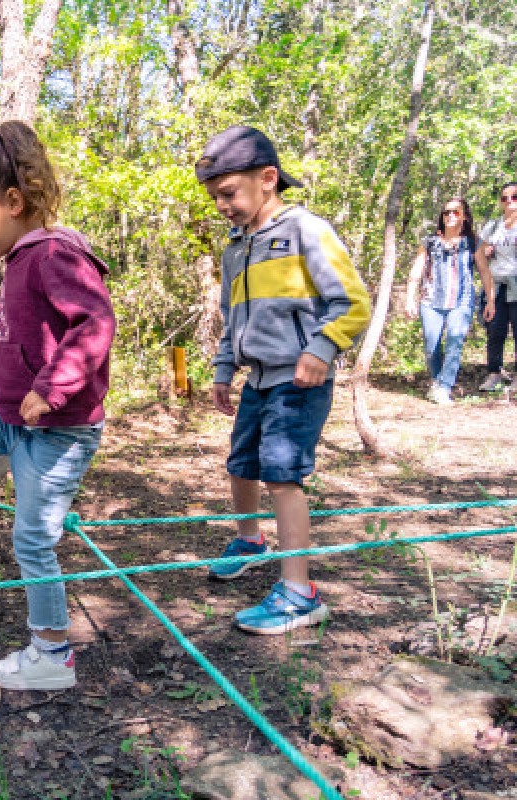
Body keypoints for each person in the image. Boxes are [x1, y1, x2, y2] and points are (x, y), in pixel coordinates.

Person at [0, 121, 115, 691]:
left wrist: (52, 386)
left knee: (32, 541)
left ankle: (51, 656)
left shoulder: (53, 254)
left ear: (12, 202)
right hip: (15, 419)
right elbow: (30, 329)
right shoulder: (19, 260)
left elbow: (94, 322)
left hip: (56, 428)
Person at [196, 125, 371, 635]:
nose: (222, 205)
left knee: (281, 474)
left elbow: (351, 302)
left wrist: (321, 348)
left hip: (299, 380)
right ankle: (250, 540)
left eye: (229, 193)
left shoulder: (305, 231)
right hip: (257, 380)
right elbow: (233, 318)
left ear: (268, 179)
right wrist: (223, 369)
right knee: (241, 464)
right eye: (216, 197)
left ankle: (299, 592)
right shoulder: (236, 248)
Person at [403, 197, 488, 404]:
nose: (450, 216)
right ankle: (436, 381)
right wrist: (409, 298)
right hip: (431, 300)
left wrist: (491, 300)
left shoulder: (473, 242)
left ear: (464, 217)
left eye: (455, 212)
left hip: (462, 300)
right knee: (431, 345)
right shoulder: (430, 242)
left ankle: (444, 387)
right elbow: (417, 270)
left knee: (455, 342)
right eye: (446, 212)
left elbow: (485, 272)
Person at [477, 181, 517, 392]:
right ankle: (494, 373)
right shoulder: (493, 226)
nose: (509, 201)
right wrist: (486, 256)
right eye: (505, 198)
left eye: (514, 197)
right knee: (495, 329)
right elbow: (479, 255)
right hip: (497, 284)